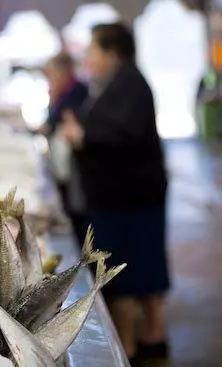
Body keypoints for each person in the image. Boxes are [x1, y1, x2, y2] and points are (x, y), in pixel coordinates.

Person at [60, 23, 170, 366]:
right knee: (145, 270)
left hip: (127, 198)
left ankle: (131, 347)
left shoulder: (130, 85)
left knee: (125, 275)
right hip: (130, 196)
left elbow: (123, 137)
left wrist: (82, 137)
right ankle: (150, 339)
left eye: (94, 49)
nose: (89, 56)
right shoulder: (118, 83)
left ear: (112, 52)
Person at [41, 53, 89, 246]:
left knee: (78, 217)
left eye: (52, 73)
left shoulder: (77, 93)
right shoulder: (63, 93)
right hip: (66, 167)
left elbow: (64, 126)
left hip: (77, 170)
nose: (50, 78)